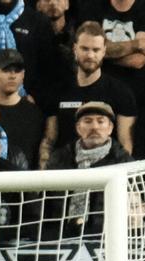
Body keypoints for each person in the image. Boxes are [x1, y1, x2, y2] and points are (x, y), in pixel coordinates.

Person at [39, 22, 136, 166]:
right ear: (75, 49)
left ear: (104, 51)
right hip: (65, 171)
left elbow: (126, 144)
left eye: (96, 50)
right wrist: (43, 172)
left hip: (106, 172)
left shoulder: (120, 92)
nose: (90, 55)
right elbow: (49, 139)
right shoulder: (58, 90)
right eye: (84, 49)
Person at [45, 101, 132, 237]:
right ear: (78, 128)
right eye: (88, 121)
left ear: (110, 128)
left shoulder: (123, 162)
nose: (94, 127)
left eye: (100, 121)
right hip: (60, 234)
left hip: (107, 236)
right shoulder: (59, 159)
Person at [77, 0, 145, 107]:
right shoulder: (93, 7)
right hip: (99, 91)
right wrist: (136, 44)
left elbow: (137, 61)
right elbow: (89, 45)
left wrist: (100, 57)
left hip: (136, 93)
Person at [0, 49, 43, 168]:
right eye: (6, 70)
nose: (12, 75)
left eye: (17, 71)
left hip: (25, 177)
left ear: (23, 75)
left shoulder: (34, 113)